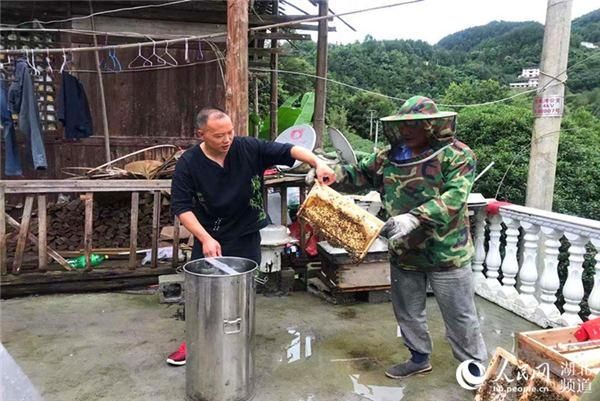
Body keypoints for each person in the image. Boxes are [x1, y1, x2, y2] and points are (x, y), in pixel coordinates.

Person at [332, 96, 487, 379]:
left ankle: (475, 368)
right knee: (407, 312)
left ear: (430, 126)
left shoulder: (458, 155)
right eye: (402, 126)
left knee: (461, 316)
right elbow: (359, 173)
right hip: (404, 251)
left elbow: (454, 198)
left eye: (413, 126)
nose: (406, 132)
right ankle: (418, 358)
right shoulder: (387, 157)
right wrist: (327, 174)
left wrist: (414, 217)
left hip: (447, 253)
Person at [167, 107, 336, 366]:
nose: (226, 140)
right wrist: (204, 238)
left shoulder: (248, 147)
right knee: (202, 294)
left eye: (230, 132)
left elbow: (288, 150)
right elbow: (181, 206)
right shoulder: (189, 163)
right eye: (218, 135)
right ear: (200, 134)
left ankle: (235, 338)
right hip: (210, 236)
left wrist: (318, 162)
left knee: (243, 292)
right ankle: (195, 340)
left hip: (246, 232)